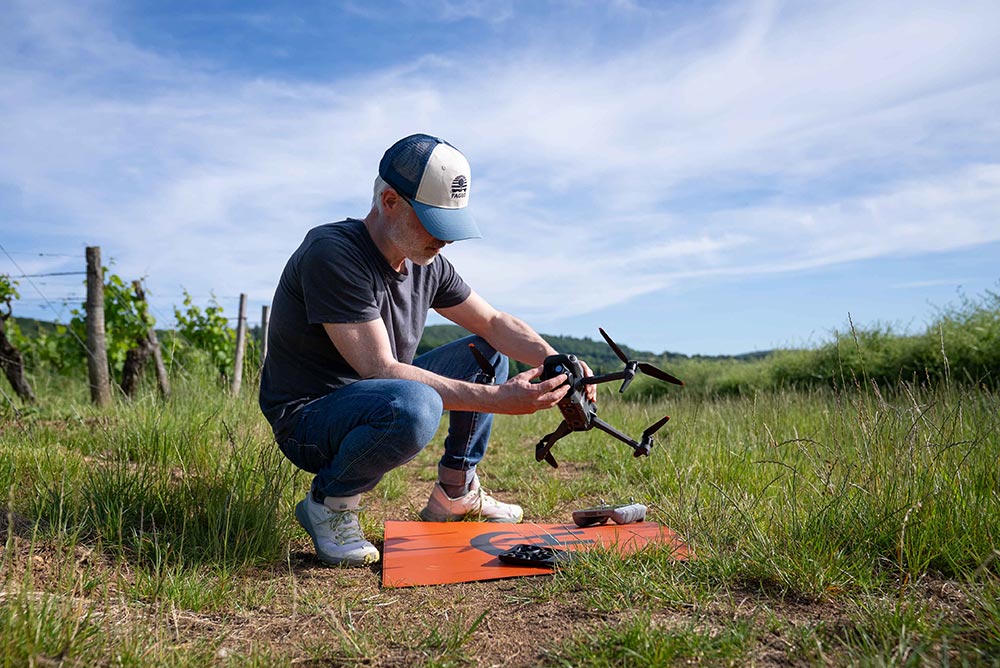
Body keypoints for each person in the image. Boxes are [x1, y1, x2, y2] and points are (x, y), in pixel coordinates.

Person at [259, 133, 594, 567]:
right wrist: (500, 400)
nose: (445, 239)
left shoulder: (426, 263)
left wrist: (558, 363)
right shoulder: (333, 253)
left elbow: (493, 323)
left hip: (375, 394)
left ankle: (455, 493)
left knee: (486, 350)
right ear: (390, 201)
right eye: (434, 222)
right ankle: (330, 504)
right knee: (414, 406)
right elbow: (379, 367)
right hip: (310, 419)